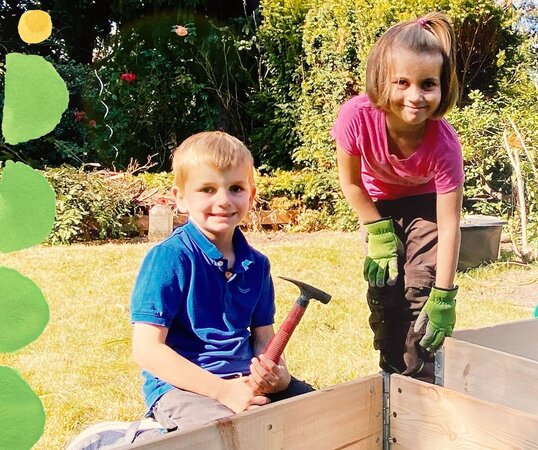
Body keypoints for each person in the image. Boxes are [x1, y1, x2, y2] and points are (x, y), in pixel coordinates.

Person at [129, 131, 313, 438]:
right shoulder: (169, 258)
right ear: (181, 198)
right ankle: (143, 437)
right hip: (183, 389)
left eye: (236, 188)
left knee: (321, 414)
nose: (224, 201)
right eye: (207, 189)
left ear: (251, 195)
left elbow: (263, 337)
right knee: (234, 436)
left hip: (243, 382)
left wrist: (278, 375)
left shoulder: (257, 264)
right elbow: (147, 349)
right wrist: (223, 392)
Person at [331, 12, 463, 383]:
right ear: (380, 80)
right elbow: (351, 183)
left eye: (428, 84)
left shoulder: (445, 144)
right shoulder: (356, 117)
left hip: (425, 205)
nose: (415, 96)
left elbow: (449, 224)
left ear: (443, 86)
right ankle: (390, 374)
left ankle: (423, 378)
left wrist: (445, 295)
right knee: (385, 288)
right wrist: (377, 230)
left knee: (419, 286)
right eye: (401, 82)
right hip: (377, 204)